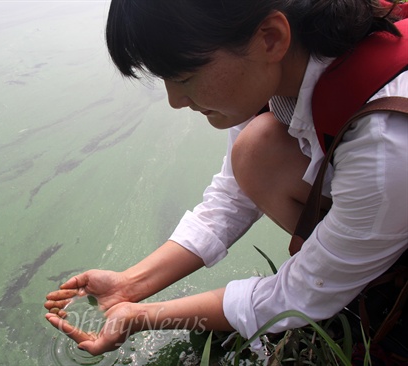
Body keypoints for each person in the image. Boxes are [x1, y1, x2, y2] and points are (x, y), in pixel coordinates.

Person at [45, 0, 408, 357]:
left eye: (186, 76)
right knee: (256, 149)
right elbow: (232, 197)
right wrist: (130, 284)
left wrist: (141, 317)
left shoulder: (385, 142)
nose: (175, 99)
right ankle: (363, 276)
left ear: (270, 38)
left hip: (391, 184)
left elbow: (297, 294)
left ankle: (383, 298)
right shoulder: (281, 67)